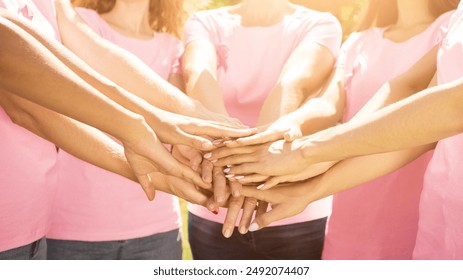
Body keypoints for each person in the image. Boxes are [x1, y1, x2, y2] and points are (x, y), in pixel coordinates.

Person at [237, 0, 463, 260]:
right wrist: (292, 125)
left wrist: (313, 153)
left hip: (404, 213)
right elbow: (333, 101)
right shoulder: (361, 41)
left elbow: (439, 109)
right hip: (351, 206)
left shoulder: (444, 27)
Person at [182, 0, 342, 259]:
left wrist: (245, 170)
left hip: (293, 212)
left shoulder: (320, 24)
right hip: (215, 203)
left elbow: (292, 84)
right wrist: (245, 173)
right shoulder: (204, 22)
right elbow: (197, 74)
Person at [45, 0, 189, 260]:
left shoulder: (172, 45)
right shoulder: (82, 23)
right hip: (75, 224)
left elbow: (180, 125)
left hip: (157, 225)